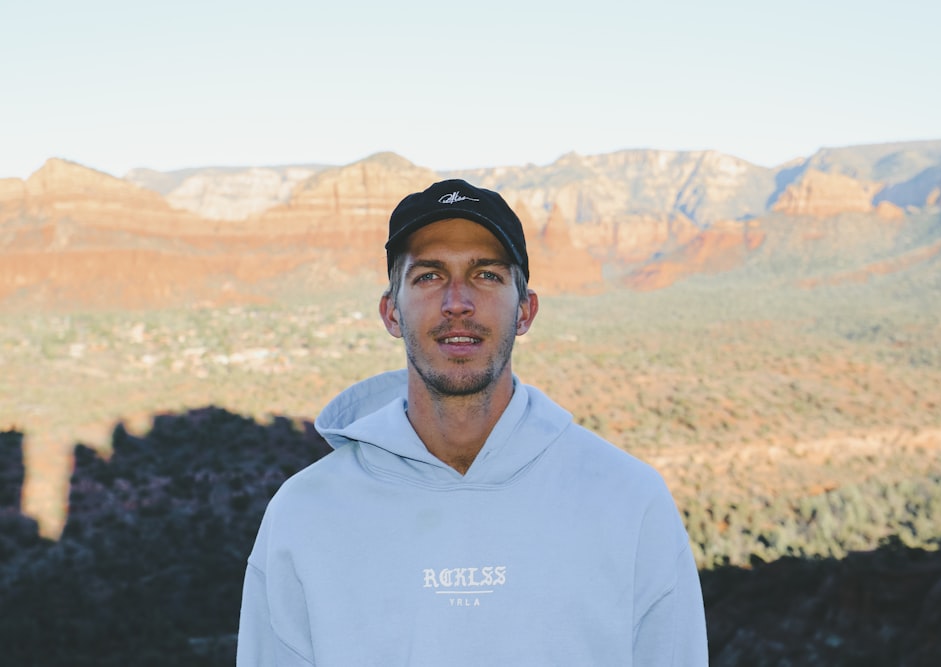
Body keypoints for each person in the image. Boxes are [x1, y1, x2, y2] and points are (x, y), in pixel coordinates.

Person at [237, 179, 708, 665]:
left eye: (485, 275)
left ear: (525, 310)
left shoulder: (630, 502)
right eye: (429, 276)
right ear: (391, 312)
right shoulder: (304, 516)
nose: (457, 302)